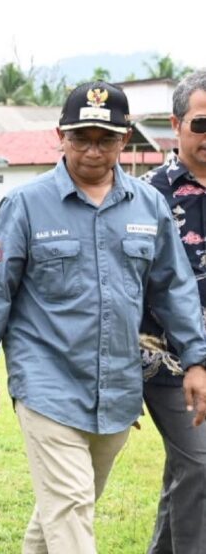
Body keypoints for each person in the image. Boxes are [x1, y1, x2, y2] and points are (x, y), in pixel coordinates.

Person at [0, 80, 206, 554]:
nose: (93, 150)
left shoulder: (148, 207)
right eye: (81, 138)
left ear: (125, 138)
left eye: (106, 139)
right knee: (72, 504)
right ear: (61, 136)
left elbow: (175, 289)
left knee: (65, 505)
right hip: (47, 381)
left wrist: (197, 360)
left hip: (116, 387)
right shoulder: (27, 205)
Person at [139, 69, 206, 554]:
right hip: (169, 362)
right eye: (201, 124)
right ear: (177, 124)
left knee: (186, 469)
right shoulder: (147, 194)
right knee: (201, 464)